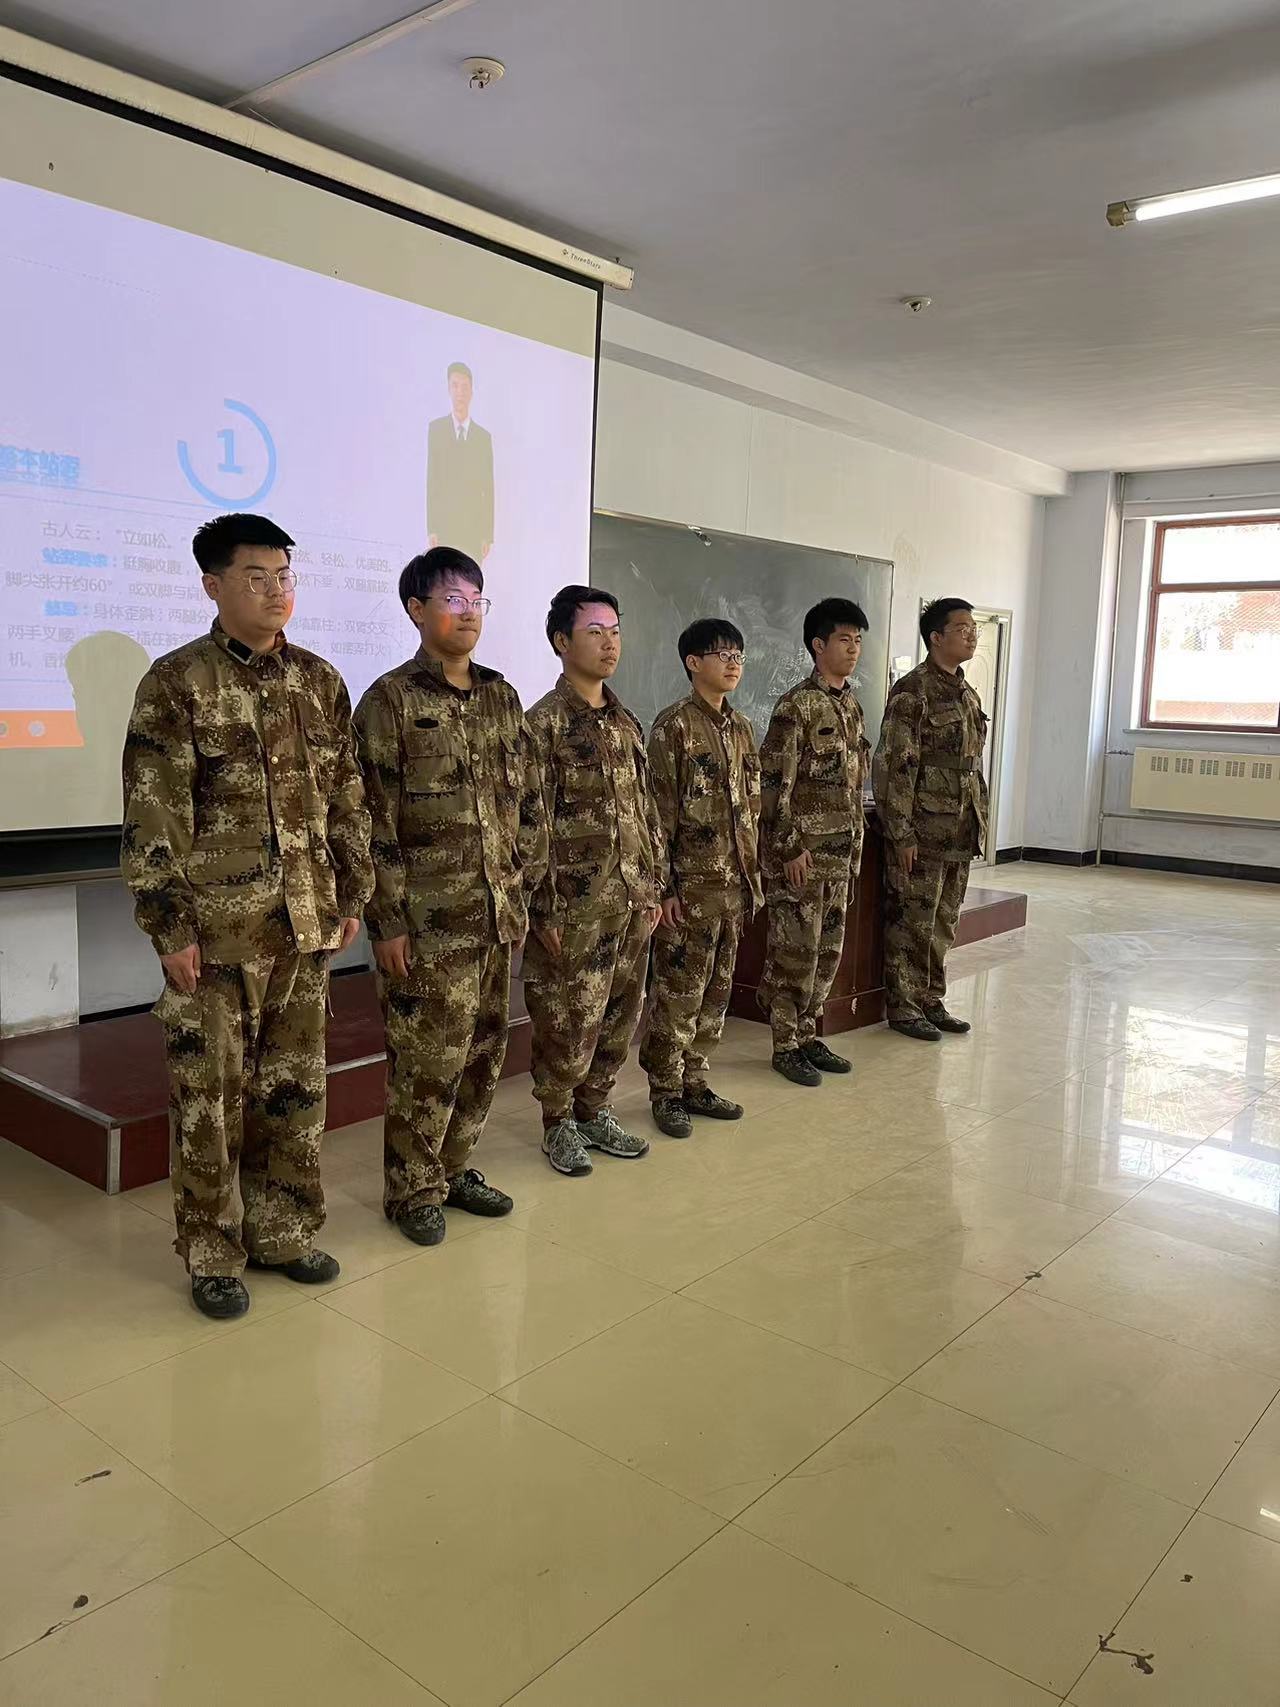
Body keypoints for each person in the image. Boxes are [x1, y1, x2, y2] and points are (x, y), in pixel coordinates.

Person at [121, 513, 374, 1320]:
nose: (275, 590)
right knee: (211, 1099)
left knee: (294, 1091)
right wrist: (170, 928)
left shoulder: (320, 681)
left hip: (304, 926)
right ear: (213, 585)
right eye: (256, 577)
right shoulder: (177, 683)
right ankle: (212, 1249)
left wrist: (351, 891)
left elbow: (346, 797)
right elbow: (154, 815)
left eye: (284, 575)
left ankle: (283, 1231)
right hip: (217, 936)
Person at [353, 546, 546, 1245]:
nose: (468, 613)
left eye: (476, 601)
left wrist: (521, 886)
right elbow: (370, 819)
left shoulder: (502, 697)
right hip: (427, 923)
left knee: (484, 1051)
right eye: (452, 600)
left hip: (495, 915)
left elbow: (529, 801)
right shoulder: (389, 701)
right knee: (426, 1060)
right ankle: (411, 1189)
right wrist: (387, 921)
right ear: (417, 609)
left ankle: (455, 1166)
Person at [523, 586, 662, 1175]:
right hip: (574, 907)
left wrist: (653, 886)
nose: (610, 644)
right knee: (567, 1018)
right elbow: (528, 824)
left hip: (630, 898)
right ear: (562, 641)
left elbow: (645, 811)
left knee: (620, 1015)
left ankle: (595, 1109)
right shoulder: (542, 725)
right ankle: (557, 1121)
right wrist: (542, 908)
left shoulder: (625, 721)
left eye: (615, 631)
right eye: (595, 632)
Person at [640, 618, 764, 1138]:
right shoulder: (673, 728)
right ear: (693, 663)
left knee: (716, 993)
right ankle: (666, 1089)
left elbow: (750, 810)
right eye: (722, 655)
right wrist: (664, 889)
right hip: (689, 891)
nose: (733, 664)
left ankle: (695, 1080)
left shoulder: (742, 729)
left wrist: (752, 879)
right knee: (677, 995)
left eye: (738, 655)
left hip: (733, 888)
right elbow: (657, 816)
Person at [757, 598, 871, 1085]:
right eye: (844, 640)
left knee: (827, 953)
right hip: (803, 855)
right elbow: (772, 783)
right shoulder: (795, 706)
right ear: (818, 645)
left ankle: (807, 1033)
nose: (854, 649)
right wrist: (787, 847)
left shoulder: (851, 707)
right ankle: (785, 1043)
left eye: (858, 641)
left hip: (841, 854)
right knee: (794, 953)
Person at [873, 597, 988, 1041]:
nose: (971, 635)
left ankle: (930, 999)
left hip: (960, 826)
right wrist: (901, 832)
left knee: (944, 921)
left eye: (974, 628)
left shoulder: (966, 693)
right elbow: (894, 767)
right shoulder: (912, 691)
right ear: (936, 637)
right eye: (962, 628)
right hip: (923, 829)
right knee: (912, 921)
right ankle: (904, 1006)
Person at [426, 362, 495, 565]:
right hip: (445, 525)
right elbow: (432, 481)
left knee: (470, 578)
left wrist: (487, 535)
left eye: (464, 387)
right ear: (449, 389)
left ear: (471, 392)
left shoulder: (483, 438)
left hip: (473, 528)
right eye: (455, 386)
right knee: (444, 576)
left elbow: (488, 488)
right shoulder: (436, 430)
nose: (460, 392)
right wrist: (432, 527)